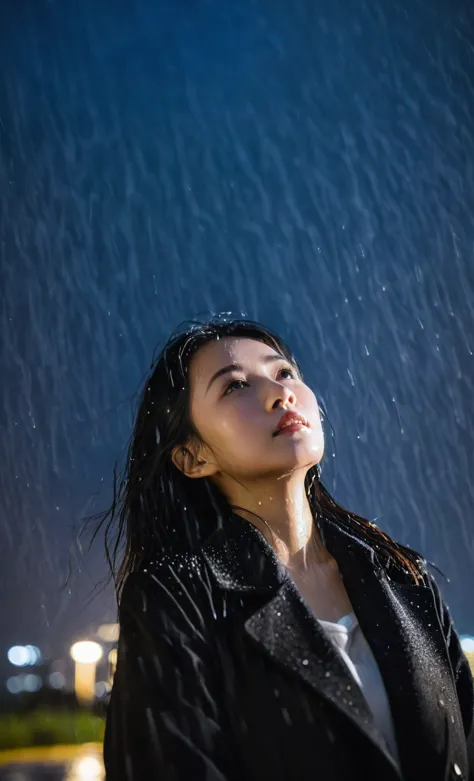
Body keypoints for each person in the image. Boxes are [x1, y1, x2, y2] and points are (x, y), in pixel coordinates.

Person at [101, 313, 474, 781]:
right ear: (193, 456)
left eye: (284, 373)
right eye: (235, 386)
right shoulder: (176, 598)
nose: (281, 392)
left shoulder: (403, 576)